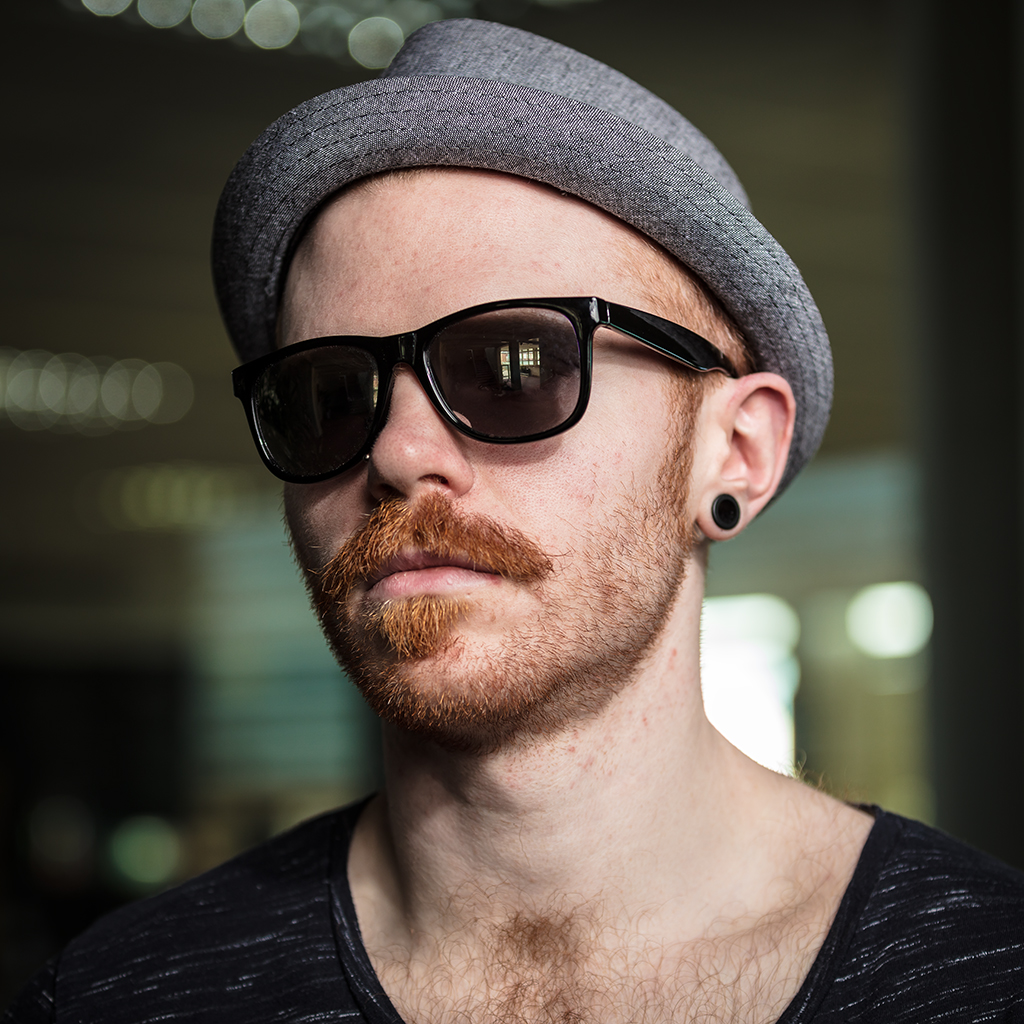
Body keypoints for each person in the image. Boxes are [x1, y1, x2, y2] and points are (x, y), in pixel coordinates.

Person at [6, 17, 1024, 1024]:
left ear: (736, 452)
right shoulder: (116, 1002)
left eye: (511, 368)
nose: (397, 452)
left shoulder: (988, 979)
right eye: (328, 396)